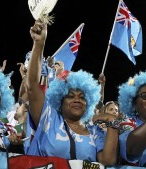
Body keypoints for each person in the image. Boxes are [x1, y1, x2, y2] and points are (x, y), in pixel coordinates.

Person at [25, 19, 119, 166]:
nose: (77, 100)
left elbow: (108, 161)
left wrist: (113, 123)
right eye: (70, 96)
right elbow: (32, 87)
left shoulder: (95, 131)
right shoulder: (48, 118)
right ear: (60, 100)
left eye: (82, 97)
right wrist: (39, 44)